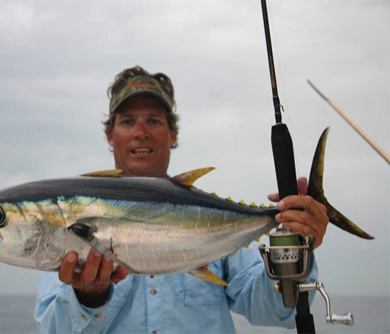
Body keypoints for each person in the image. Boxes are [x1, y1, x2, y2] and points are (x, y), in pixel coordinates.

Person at [35, 65, 329, 333]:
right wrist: (87, 296)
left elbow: (277, 311)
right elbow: (52, 330)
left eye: (153, 120)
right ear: (110, 135)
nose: (141, 133)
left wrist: (295, 245)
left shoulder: (208, 216)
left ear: (173, 134)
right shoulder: (73, 211)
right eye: (127, 121)